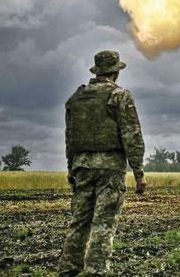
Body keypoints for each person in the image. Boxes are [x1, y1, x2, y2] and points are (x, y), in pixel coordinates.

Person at [58, 50, 146, 276]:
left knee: (79, 222)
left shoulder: (76, 99)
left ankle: (68, 270)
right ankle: (95, 272)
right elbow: (131, 135)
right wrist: (139, 172)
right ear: (116, 72)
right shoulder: (120, 96)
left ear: (97, 71)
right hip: (110, 168)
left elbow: (70, 138)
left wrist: (71, 168)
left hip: (82, 166)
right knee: (103, 225)